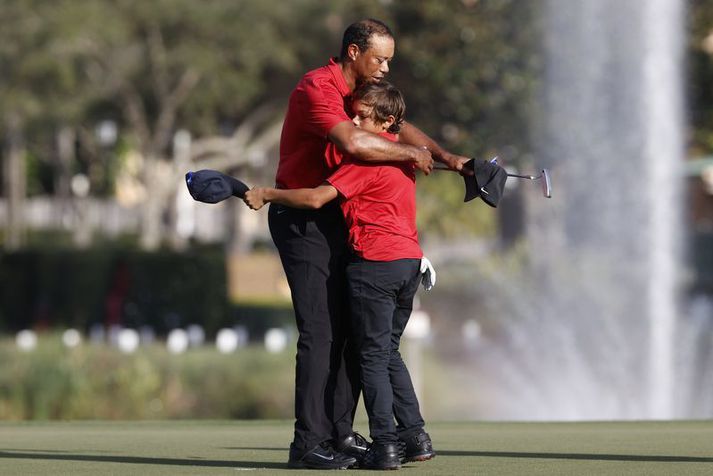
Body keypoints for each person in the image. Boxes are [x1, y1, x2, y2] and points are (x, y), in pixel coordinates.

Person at [270, 18, 468, 470]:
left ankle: (339, 434)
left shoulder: (358, 96)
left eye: (389, 60)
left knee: (353, 333)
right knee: (320, 332)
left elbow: (395, 127)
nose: (384, 68)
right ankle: (307, 443)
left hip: (339, 212)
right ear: (354, 52)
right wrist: (410, 155)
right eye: (379, 59)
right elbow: (356, 141)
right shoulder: (317, 88)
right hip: (303, 217)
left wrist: (451, 160)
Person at [246, 81, 435, 470]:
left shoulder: (366, 161)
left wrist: (268, 193)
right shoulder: (404, 161)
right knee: (388, 352)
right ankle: (415, 437)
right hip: (409, 264)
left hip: (375, 266)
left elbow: (315, 198)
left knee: (370, 358)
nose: (352, 120)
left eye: (362, 115)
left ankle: (385, 445)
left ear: (385, 123)